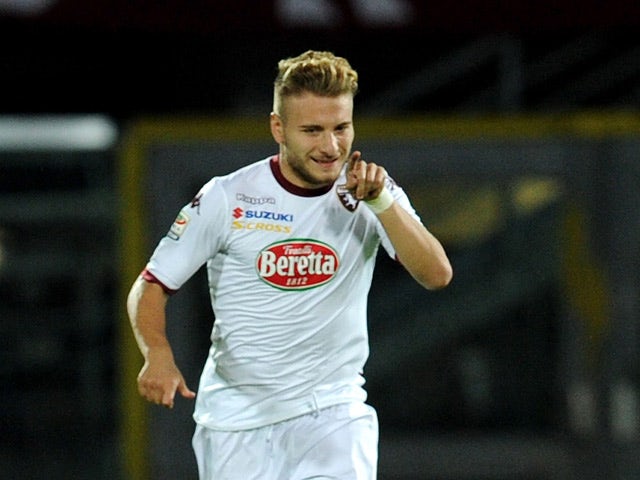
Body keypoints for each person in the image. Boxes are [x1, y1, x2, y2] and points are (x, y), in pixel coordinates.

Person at [127, 49, 453, 480]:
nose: (331, 146)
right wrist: (159, 354)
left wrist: (381, 203)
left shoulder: (372, 191)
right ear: (278, 128)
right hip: (236, 423)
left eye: (341, 128)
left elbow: (437, 275)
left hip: (334, 415)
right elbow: (150, 286)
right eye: (312, 130)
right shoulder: (228, 197)